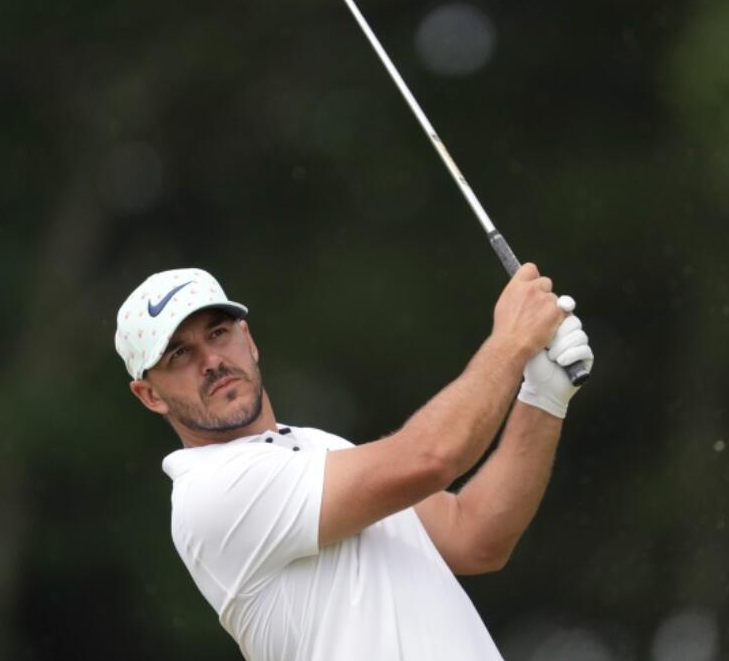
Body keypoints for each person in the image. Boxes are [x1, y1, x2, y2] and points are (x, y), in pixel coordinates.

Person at [115, 264, 593, 660]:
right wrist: (511, 342)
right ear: (150, 394)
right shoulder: (210, 492)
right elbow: (431, 456)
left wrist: (544, 396)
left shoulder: (319, 447)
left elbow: (475, 534)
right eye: (181, 354)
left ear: (249, 338)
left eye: (218, 333)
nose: (212, 360)